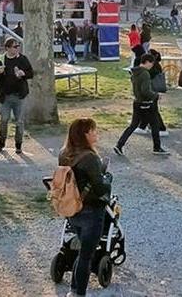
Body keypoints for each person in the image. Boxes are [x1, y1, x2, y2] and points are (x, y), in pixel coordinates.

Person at [59, 118, 113, 297]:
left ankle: (74, 290)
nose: (96, 133)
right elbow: (100, 188)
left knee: (83, 251)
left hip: (72, 209)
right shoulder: (90, 158)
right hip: (91, 211)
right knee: (86, 255)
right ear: (85, 134)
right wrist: (108, 178)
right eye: (93, 130)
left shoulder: (64, 154)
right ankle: (78, 293)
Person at [114, 54, 169, 156]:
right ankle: (157, 147)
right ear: (147, 62)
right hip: (147, 103)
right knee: (155, 124)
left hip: (137, 102)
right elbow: (145, 91)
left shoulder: (135, 72)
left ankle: (119, 145)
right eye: (151, 63)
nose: (152, 66)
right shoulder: (145, 74)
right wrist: (156, 95)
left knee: (133, 125)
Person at [0, 38, 34, 154]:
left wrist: (23, 73)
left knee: (19, 121)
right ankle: (1, 142)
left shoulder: (22, 59)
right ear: (7, 48)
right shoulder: (0, 60)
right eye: (15, 46)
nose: (17, 48)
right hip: (5, 96)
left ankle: (18, 145)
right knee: (4, 120)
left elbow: (31, 73)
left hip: (20, 96)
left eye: (18, 46)